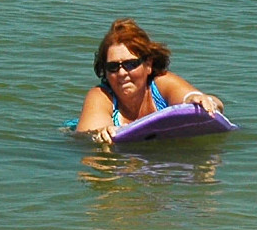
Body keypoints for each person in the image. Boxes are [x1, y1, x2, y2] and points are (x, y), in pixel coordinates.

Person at [74, 18, 224, 141]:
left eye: (130, 64)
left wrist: (205, 101)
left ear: (148, 64)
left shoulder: (161, 83)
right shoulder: (101, 95)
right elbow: (86, 138)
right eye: (113, 66)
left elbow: (193, 98)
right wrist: (102, 134)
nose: (121, 73)